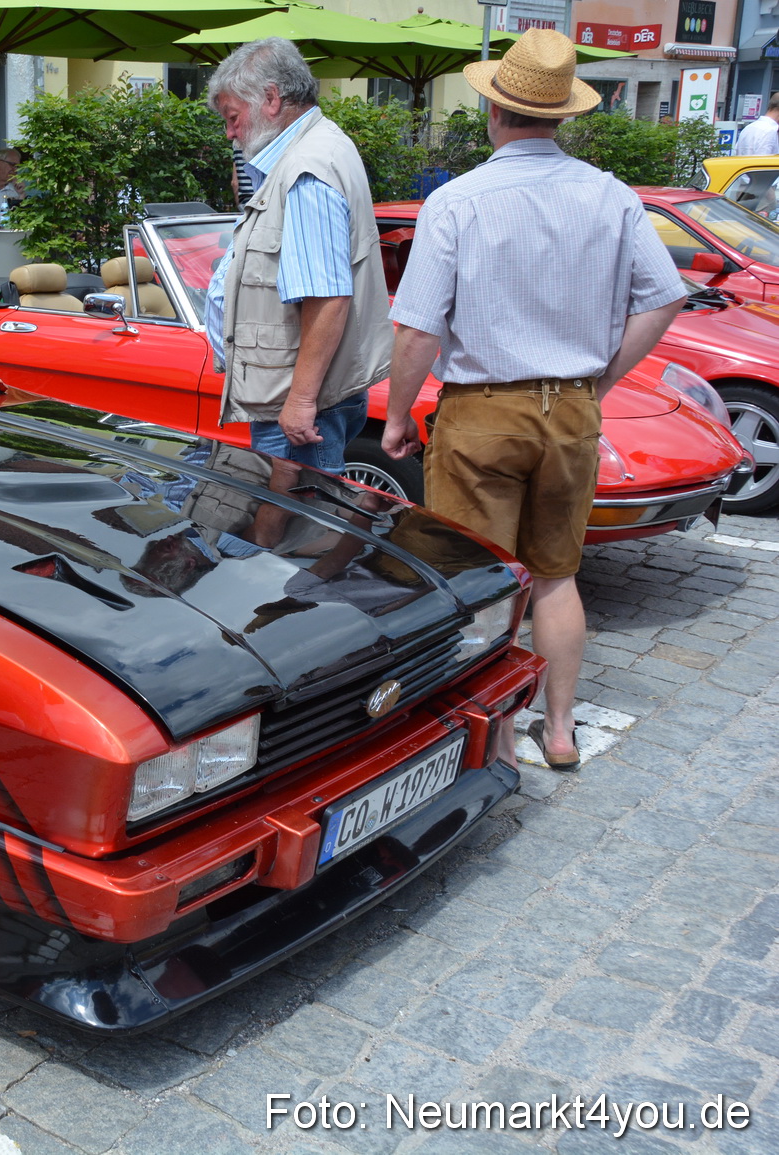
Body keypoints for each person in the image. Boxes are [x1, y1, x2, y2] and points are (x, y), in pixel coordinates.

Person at [380, 28, 684, 771]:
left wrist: (394, 417)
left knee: (480, 578)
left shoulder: (456, 201)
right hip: (572, 406)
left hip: (483, 408)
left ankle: (493, 738)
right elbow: (664, 297)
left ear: (493, 111)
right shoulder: (611, 195)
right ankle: (559, 730)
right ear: (563, 116)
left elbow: (418, 329)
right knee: (555, 573)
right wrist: (601, 380)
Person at [201, 38, 391, 475]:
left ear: (270, 98)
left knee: (302, 538)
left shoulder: (307, 167)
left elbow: (327, 297)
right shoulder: (315, 148)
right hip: (302, 398)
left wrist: (301, 401)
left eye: (233, 118)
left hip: (299, 406)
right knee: (292, 534)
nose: (229, 133)